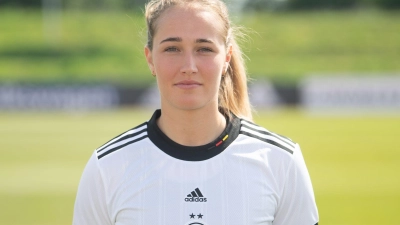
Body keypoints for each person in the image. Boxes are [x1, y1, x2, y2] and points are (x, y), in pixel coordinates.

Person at [73, 0, 319, 224]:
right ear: (150, 59)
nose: (188, 67)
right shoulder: (107, 168)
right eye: (172, 49)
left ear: (226, 58)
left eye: (204, 49)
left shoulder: (281, 162)